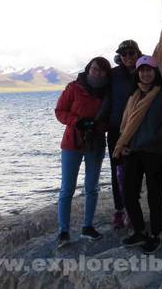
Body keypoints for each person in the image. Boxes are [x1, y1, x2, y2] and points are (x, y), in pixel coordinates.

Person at [115, 55, 162, 254]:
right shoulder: (134, 95)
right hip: (131, 151)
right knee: (130, 194)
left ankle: (156, 234)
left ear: (155, 72)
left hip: (153, 151)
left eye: (149, 70)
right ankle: (140, 230)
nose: (145, 73)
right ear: (138, 73)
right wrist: (123, 142)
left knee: (154, 194)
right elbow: (127, 123)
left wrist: (156, 136)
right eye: (142, 70)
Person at [54, 56, 111, 248]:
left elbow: (112, 118)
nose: (98, 73)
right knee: (67, 189)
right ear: (88, 69)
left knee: (92, 187)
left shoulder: (108, 92)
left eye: (102, 70)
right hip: (72, 143)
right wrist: (76, 121)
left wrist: (98, 125)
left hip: (95, 143)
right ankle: (63, 232)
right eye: (95, 69)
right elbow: (60, 111)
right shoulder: (74, 88)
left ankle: (87, 227)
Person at [107, 39, 142, 229]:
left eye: (131, 53)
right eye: (124, 54)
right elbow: (103, 97)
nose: (128, 56)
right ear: (119, 56)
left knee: (133, 170)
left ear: (137, 53)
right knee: (116, 169)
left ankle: (132, 208)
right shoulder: (113, 75)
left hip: (137, 128)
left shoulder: (144, 72)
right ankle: (119, 209)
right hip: (115, 128)